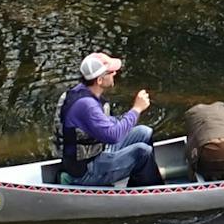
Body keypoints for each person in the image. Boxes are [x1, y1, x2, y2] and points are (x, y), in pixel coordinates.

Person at [53, 52, 161, 187]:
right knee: (143, 152)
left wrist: (124, 118)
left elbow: (104, 125)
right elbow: (113, 136)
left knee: (144, 132)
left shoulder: (78, 92)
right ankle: (147, 194)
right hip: (84, 171)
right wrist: (136, 109)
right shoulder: (87, 106)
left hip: (95, 153)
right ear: (99, 80)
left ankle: (140, 179)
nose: (115, 73)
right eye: (111, 72)